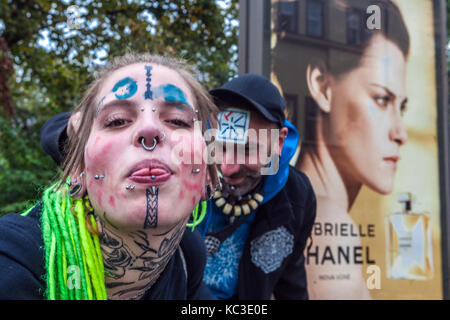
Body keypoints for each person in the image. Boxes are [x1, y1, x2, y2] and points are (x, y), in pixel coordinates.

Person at [0, 53, 219, 300]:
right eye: (116, 121)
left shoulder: (187, 256)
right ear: (76, 171)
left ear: (209, 176)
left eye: (178, 120)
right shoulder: (12, 263)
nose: (149, 130)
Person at [293, 0, 410, 299]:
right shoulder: (328, 223)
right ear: (322, 86)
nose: (401, 133)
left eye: (402, 107)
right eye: (382, 100)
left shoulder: (298, 206)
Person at [197, 73, 317, 299]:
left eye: (247, 149)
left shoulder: (297, 194)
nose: (228, 167)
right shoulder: (186, 176)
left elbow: (291, 282)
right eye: (221, 147)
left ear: (279, 142)